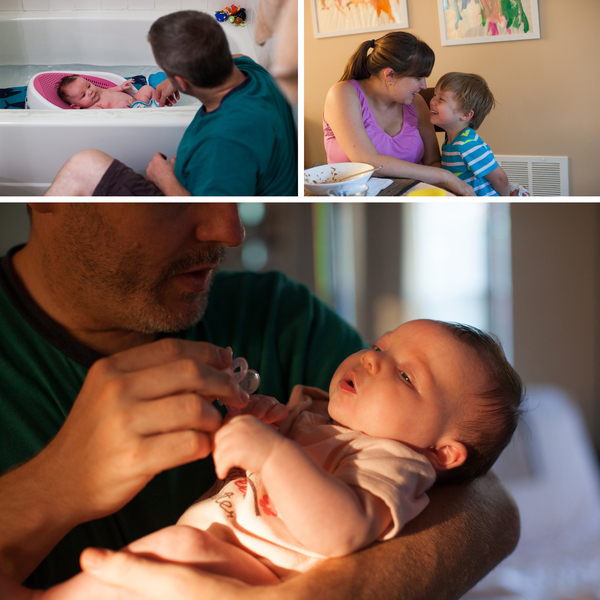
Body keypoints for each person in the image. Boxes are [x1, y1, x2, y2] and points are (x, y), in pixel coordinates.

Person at [0, 203, 519, 600]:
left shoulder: (279, 316)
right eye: (173, 200)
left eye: (405, 373)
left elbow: (488, 505)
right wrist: (58, 482)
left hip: (217, 561)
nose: (231, 229)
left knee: (165, 556)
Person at [18, 318, 523, 599]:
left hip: (257, 579)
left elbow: (342, 529)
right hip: (220, 555)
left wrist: (274, 452)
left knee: (172, 550)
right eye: (379, 346)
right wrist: (263, 421)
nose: (372, 360)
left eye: (407, 377)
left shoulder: (394, 463)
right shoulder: (324, 417)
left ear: (442, 453)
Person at [44, 11, 297, 196]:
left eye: (165, 70)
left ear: (184, 82)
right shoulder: (252, 71)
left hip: (185, 194)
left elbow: (208, 217)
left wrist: (164, 178)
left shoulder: (224, 142)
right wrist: (172, 79)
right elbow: (238, 55)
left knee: (84, 166)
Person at [322, 33, 476, 196]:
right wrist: (445, 176)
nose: (424, 86)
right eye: (418, 78)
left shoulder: (416, 103)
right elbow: (367, 162)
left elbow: (433, 162)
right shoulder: (342, 94)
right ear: (390, 75)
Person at [429, 72, 510, 196]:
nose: (432, 101)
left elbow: (500, 179)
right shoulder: (451, 142)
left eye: (441, 99)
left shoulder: (467, 145)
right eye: (435, 95)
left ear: (466, 114)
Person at [57, 75, 159, 110]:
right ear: (75, 106)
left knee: (147, 88)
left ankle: (160, 105)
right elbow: (107, 117)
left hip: (137, 101)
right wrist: (119, 107)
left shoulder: (98, 91)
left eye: (88, 86)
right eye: (83, 95)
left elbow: (111, 90)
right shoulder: (93, 108)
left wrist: (121, 87)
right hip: (131, 112)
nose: (90, 91)